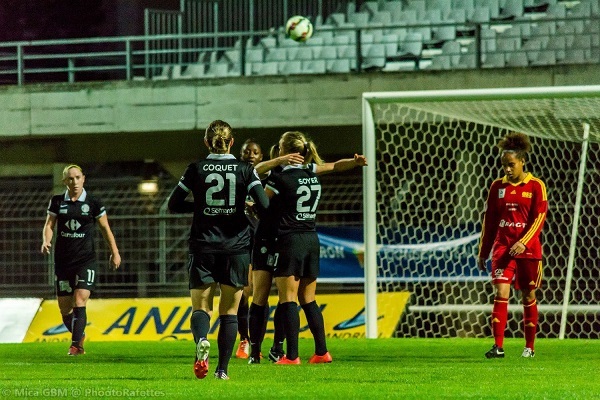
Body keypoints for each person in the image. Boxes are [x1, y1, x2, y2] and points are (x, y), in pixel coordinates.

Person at [249, 131, 367, 365]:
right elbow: (334, 166)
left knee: (288, 299)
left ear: (285, 151)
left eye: (280, 147)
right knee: (308, 298)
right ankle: (322, 352)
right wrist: (354, 163)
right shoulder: (311, 173)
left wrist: (252, 204)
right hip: (312, 239)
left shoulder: (280, 178)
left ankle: (291, 356)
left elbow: (260, 194)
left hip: (289, 240)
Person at [167, 120, 269, 380]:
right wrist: (240, 206)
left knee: (201, 307)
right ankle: (222, 370)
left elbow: (174, 204)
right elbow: (264, 204)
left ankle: (202, 339)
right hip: (236, 248)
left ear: (206, 142)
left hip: (203, 246)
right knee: (230, 312)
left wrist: (201, 206)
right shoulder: (245, 169)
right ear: (232, 142)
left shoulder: (196, 168)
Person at [477, 132, 548, 359]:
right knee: (501, 292)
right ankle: (498, 346)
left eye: (511, 165)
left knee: (528, 296)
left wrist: (523, 242)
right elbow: (489, 222)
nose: (507, 169)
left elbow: (539, 218)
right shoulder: (497, 187)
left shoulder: (536, 186)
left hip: (528, 251)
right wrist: (483, 252)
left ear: (522, 161)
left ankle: (529, 347)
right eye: (504, 165)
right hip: (503, 250)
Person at [41, 164, 121, 356]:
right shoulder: (58, 201)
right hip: (63, 262)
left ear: (83, 178)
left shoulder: (93, 203)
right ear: (64, 181)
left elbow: (105, 229)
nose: (74, 182)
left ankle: (76, 345)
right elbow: (49, 225)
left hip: (86, 260)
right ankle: (79, 333)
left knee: (79, 300)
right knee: (65, 309)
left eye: (78, 177)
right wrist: (46, 240)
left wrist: (115, 252)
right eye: (70, 179)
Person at [234, 138, 264, 359]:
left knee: (260, 294)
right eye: (247, 152)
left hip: (262, 238)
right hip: (241, 238)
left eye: (255, 152)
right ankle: (244, 339)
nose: (251, 155)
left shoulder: (269, 180)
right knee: (244, 291)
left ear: (261, 157)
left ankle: (260, 344)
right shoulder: (237, 177)